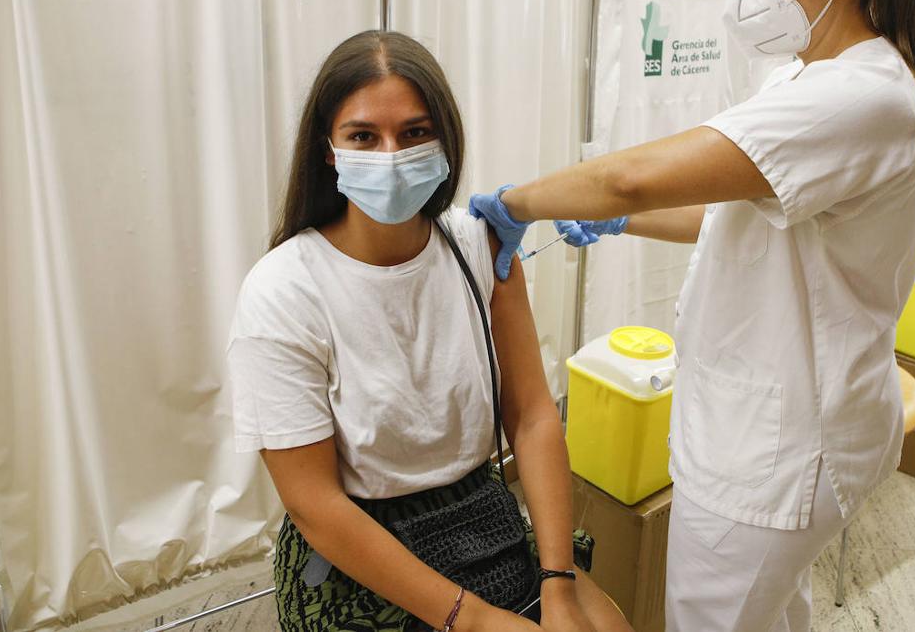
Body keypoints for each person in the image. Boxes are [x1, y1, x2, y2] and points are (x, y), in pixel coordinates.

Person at [469, 0, 915, 629]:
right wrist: (621, 224)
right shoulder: (803, 77)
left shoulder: (861, 95)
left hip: (779, 450)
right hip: (763, 421)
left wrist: (515, 205)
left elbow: (630, 177)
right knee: (772, 609)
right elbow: (742, 214)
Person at [226, 31, 630, 632]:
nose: (390, 155)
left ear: (444, 141)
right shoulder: (283, 290)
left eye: (415, 133)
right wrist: (476, 621)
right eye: (364, 136)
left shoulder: (480, 245)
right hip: (356, 546)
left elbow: (534, 415)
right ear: (330, 151)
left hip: (479, 509)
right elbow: (314, 504)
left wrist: (558, 583)